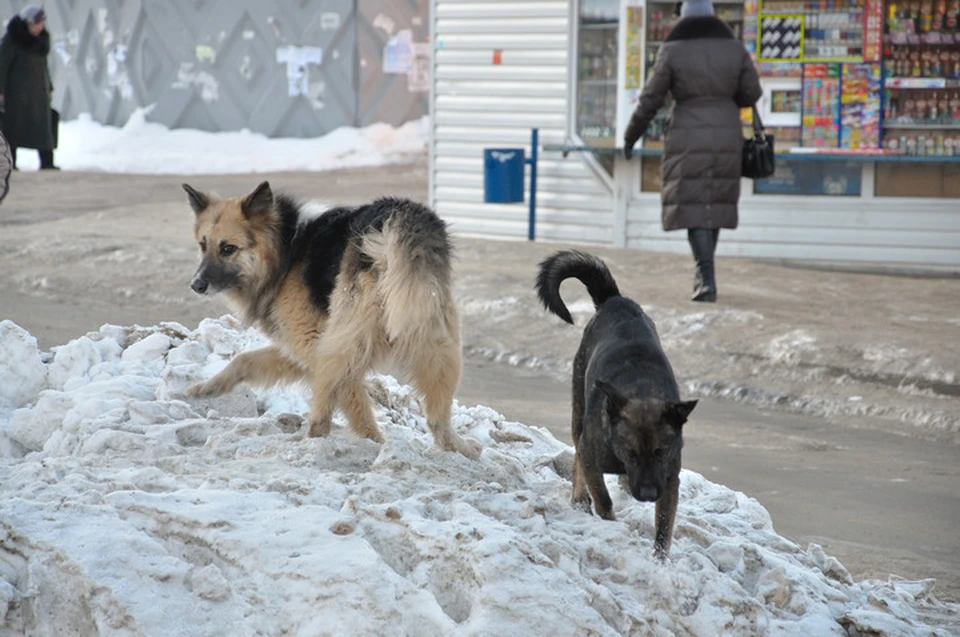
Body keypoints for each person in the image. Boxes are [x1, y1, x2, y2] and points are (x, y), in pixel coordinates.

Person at [623, 0, 761, 302]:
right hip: (727, 134)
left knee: (694, 204)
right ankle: (706, 276)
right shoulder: (734, 48)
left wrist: (631, 136)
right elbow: (752, 93)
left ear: (682, 15)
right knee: (714, 201)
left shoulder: (673, 49)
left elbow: (651, 98)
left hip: (687, 134)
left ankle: (706, 278)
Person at [0, 5, 58, 171]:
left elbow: (44, 67)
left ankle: (47, 162)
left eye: (41, 24)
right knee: (13, 130)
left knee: (44, 130)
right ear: (27, 24)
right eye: (36, 24)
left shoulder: (41, 42)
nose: (39, 27)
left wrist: (50, 86)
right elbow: (2, 66)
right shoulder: (12, 40)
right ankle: (10, 163)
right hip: (17, 95)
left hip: (39, 94)